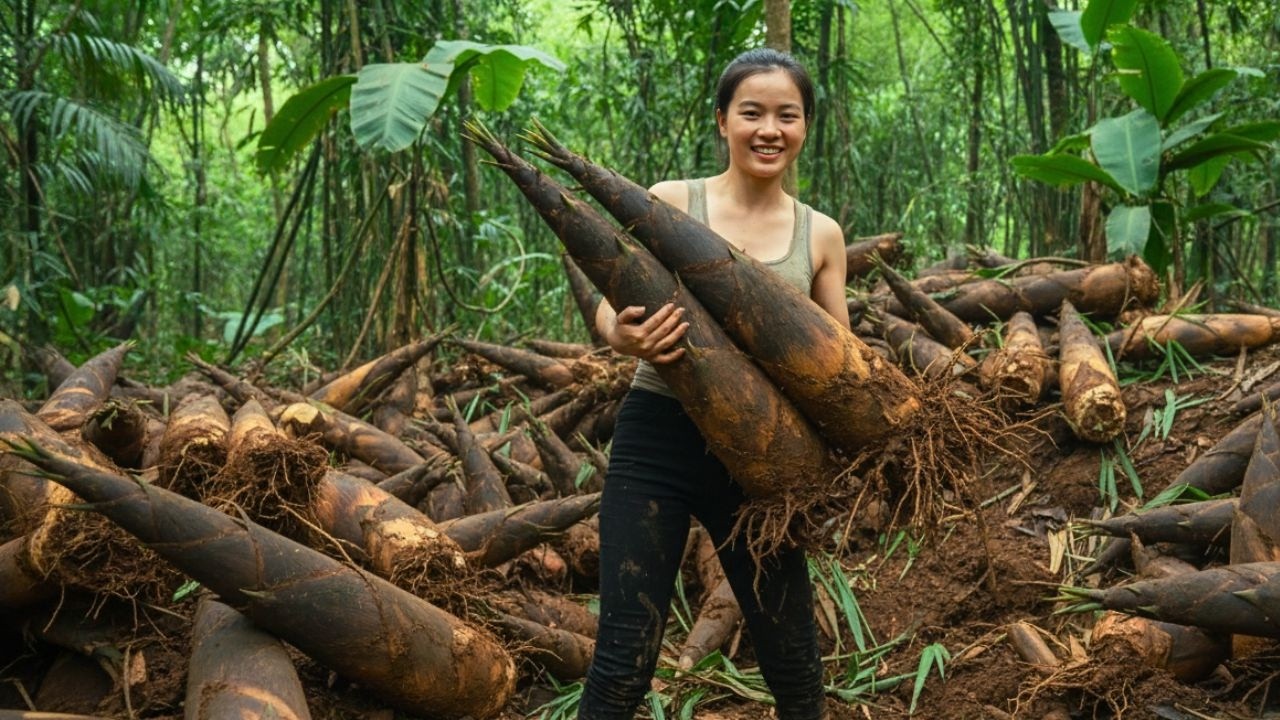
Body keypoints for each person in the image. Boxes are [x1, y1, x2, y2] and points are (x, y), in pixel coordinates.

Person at [578, 48, 848, 720]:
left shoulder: (821, 236)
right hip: (656, 442)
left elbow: (839, 360)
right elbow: (613, 303)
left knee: (793, 663)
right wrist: (622, 335)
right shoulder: (674, 201)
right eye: (751, 112)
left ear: (805, 128)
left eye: (787, 115)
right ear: (722, 120)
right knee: (623, 661)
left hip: (760, 464)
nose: (769, 129)